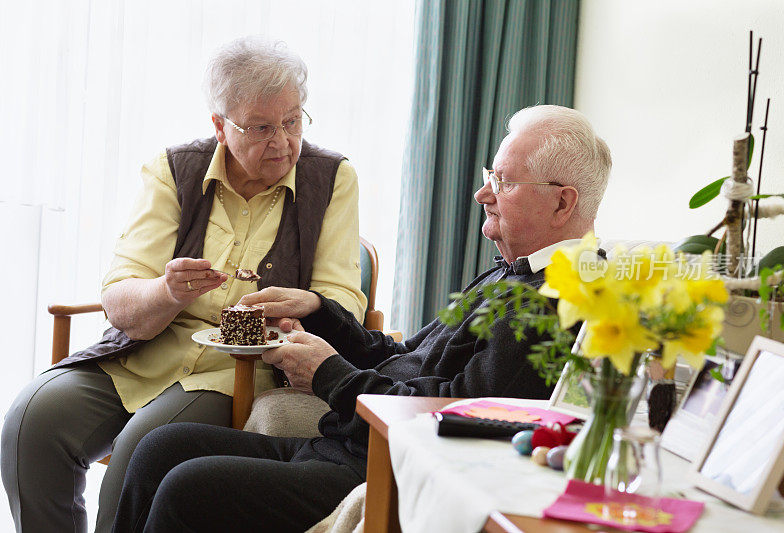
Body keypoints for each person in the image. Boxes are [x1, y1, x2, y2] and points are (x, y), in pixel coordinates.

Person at [110, 105, 612, 532]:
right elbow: (405, 357)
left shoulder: (555, 301)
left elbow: (450, 417)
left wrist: (329, 374)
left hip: (379, 466)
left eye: (502, 182)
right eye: (489, 177)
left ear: (562, 202)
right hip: (349, 443)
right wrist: (319, 311)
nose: (483, 194)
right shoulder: (511, 274)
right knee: (160, 447)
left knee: (188, 487)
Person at [1, 37, 366, 533]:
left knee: (141, 448)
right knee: (30, 425)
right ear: (219, 125)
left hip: (236, 369)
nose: (282, 141)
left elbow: (343, 302)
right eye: (260, 127)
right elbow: (120, 293)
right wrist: (167, 292)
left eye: (293, 120)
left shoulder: (333, 180)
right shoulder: (175, 170)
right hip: (141, 352)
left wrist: (308, 306)